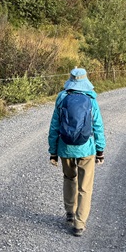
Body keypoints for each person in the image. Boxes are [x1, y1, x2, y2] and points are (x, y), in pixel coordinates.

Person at [48, 67, 105, 237]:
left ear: (70, 80)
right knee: (85, 187)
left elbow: (54, 126)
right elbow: (98, 126)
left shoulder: (62, 98)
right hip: (86, 149)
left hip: (65, 148)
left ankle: (70, 212)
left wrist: (53, 152)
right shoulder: (91, 99)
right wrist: (100, 151)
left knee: (69, 178)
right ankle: (79, 224)